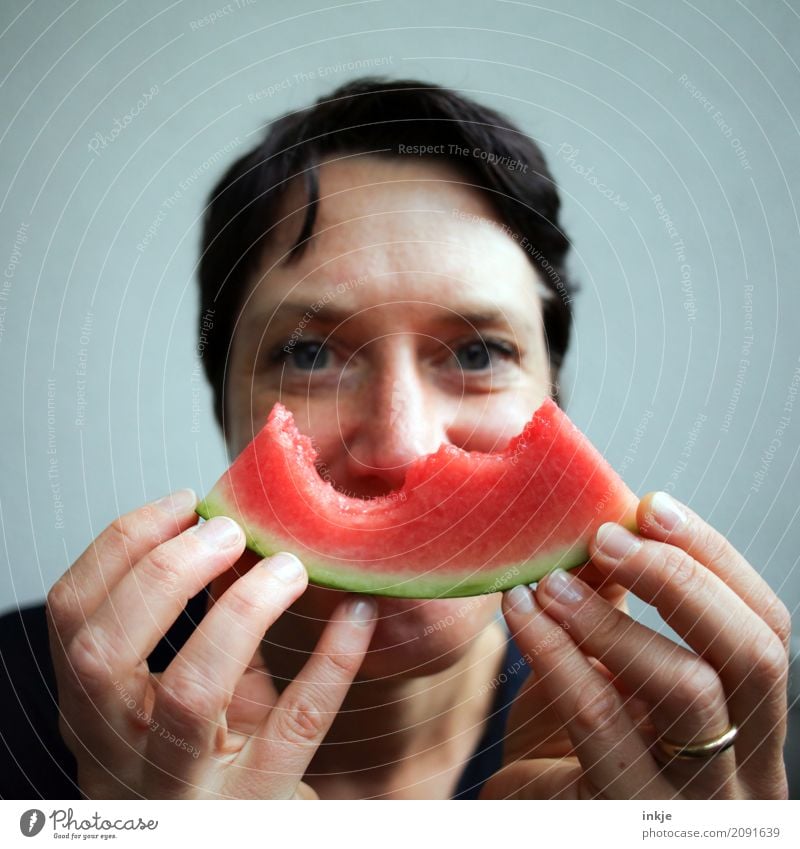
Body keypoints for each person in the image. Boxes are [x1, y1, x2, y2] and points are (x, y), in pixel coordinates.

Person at [0, 78, 790, 800]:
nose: (401, 444)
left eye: (479, 352)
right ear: (226, 403)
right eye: (309, 353)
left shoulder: (717, 759)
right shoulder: (21, 697)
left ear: (557, 395)